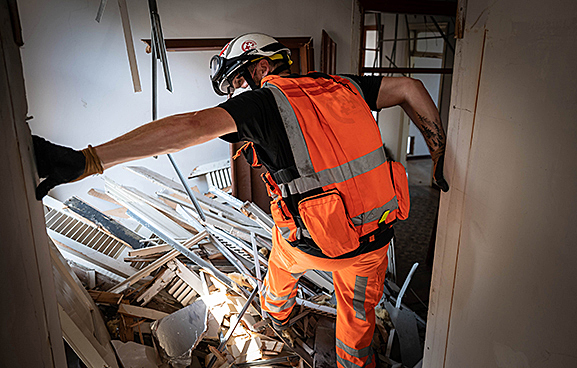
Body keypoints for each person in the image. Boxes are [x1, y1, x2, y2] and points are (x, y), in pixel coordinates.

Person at [33, 33, 448, 368]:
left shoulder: (263, 103)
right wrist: (438, 152)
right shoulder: (345, 86)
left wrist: (89, 160)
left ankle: (276, 317)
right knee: (356, 326)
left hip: (311, 247)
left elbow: (190, 126)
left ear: (261, 67)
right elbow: (410, 87)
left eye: (234, 82)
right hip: (372, 246)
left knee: (280, 270)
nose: (233, 94)